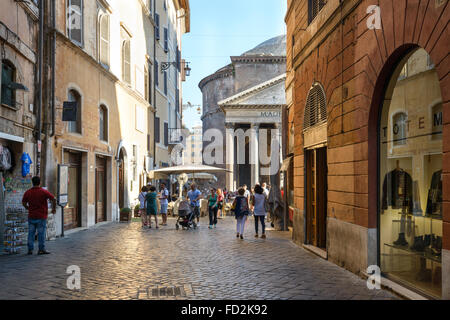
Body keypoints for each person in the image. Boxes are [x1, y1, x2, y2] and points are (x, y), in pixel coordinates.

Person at [22, 176, 56, 255]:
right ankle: (41, 249)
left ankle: (30, 249)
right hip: (41, 216)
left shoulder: (28, 192)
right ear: (40, 182)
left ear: (32, 182)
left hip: (31, 216)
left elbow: (23, 203)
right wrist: (54, 209)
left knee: (31, 233)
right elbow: (53, 199)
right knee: (41, 234)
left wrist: (28, 208)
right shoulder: (43, 191)